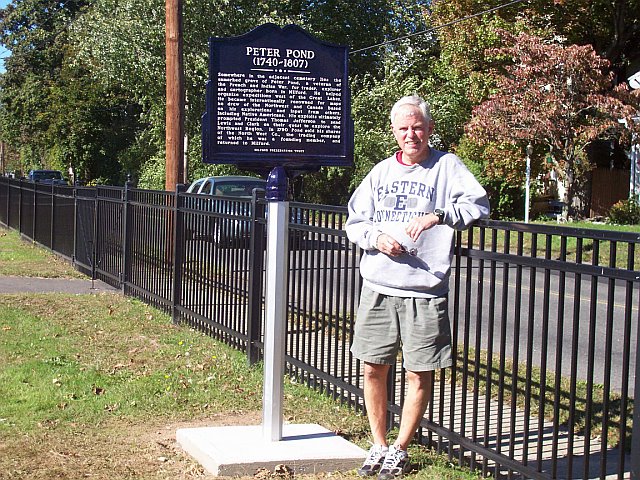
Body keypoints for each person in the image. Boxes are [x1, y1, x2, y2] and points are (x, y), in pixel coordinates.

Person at [345, 95, 490, 479]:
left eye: (418, 127)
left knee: (418, 371)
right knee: (373, 367)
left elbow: (478, 206)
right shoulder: (379, 173)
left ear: (429, 129)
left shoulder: (447, 167)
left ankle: (400, 448)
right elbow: (354, 222)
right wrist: (376, 238)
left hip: (424, 290)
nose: (411, 134)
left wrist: (438, 216)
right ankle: (377, 444)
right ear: (394, 132)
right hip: (379, 285)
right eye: (404, 128)